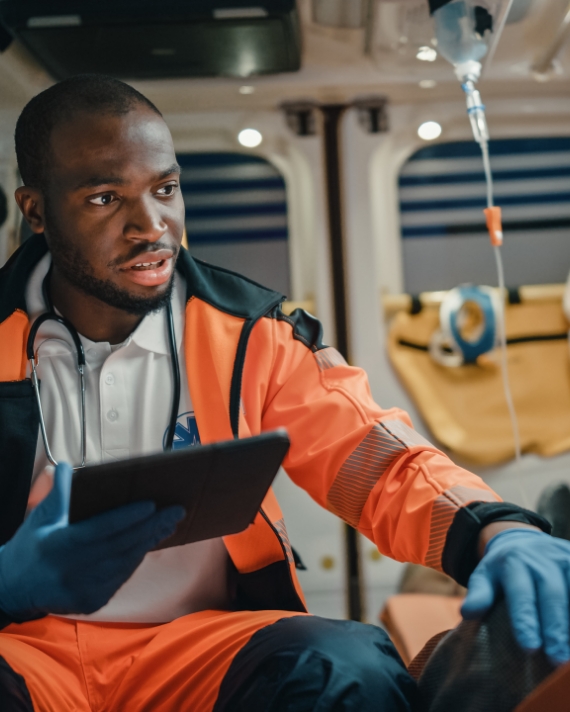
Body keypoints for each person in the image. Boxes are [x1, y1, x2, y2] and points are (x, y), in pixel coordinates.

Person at [0, 74, 565, 712]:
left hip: (196, 643)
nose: (151, 225)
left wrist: (496, 530)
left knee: (348, 668)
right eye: (105, 198)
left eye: (166, 189)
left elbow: (376, 460)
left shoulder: (254, 333)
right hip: (23, 643)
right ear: (37, 210)